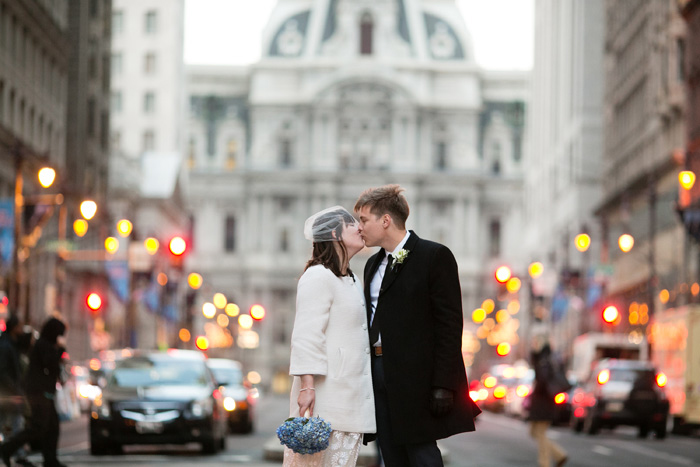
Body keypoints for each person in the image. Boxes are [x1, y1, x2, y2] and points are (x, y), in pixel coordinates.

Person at [354, 185, 480, 467]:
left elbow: (449, 324)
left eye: (363, 220)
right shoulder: (372, 265)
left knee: (422, 453)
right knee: (390, 453)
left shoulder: (434, 256)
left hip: (417, 378)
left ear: (385, 220)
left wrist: (443, 385)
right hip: (377, 373)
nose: (359, 228)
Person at [284, 206, 376, 467]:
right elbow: (306, 335)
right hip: (325, 401)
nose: (359, 228)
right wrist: (307, 387)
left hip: (351, 400)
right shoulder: (318, 276)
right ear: (335, 233)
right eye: (351, 225)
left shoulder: (352, 280)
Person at [1, 316, 68, 467]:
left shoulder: (45, 344)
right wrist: (59, 353)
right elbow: (49, 363)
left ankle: (50, 459)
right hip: (40, 393)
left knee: (51, 427)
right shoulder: (43, 345)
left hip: (43, 392)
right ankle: (7, 448)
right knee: (39, 427)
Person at [527, 335, 568, 467]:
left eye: (535, 342)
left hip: (543, 403)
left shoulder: (543, 360)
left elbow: (543, 381)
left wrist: (536, 391)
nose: (533, 344)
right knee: (535, 432)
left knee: (539, 432)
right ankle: (558, 455)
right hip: (543, 402)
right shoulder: (543, 359)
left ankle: (545, 462)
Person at [0, 315, 33, 466]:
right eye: (19, 326)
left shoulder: (10, 344)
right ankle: (15, 453)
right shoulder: (6, 345)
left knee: (11, 424)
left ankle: (12, 452)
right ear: (13, 328)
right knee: (13, 424)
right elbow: (4, 371)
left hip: (9, 392)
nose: (21, 329)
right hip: (9, 393)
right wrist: (14, 388)